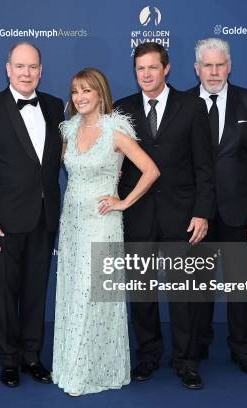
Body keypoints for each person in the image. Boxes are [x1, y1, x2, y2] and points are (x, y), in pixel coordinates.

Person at [114, 42, 215, 389]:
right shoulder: (121, 109)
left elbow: (205, 165)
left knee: (183, 293)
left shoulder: (192, 106)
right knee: (141, 292)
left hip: (182, 216)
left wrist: (202, 212)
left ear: (167, 69)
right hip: (138, 215)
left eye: (152, 68)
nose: (146, 75)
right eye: (140, 68)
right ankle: (149, 356)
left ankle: (186, 361)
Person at [52, 68, 159, 396]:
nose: (80, 97)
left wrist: (123, 202)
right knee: (73, 293)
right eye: (75, 91)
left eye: (86, 91)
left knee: (93, 294)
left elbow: (151, 170)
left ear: (100, 94)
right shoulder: (68, 131)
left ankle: (88, 373)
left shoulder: (115, 130)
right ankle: (71, 365)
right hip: (71, 221)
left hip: (102, 223)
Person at [0, 42, 64, 388]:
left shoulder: (55, 107)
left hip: (44, 217)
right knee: (5, 294)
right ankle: (8, 359)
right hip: (2, 222)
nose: (27, 73)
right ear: (8, 69)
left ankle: (32, 356)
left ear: (41, 69)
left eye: (33, 67)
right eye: (20, 66)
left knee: (36, 291)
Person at [189, 38, 247, 376]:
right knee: (197, 287)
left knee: (239, 287)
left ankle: (242, 349)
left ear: (229, 66)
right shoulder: (181, 104)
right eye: (207, 66)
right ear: (196, 69)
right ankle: (196, 346)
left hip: (240, 214)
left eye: (219, 65)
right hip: (196, 214)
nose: (213, 72)